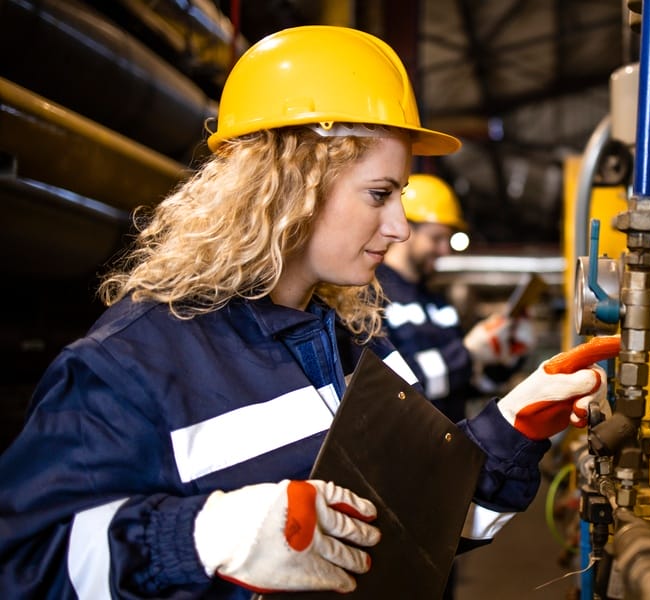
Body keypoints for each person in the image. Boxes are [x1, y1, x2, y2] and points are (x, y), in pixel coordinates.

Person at [0, 25, 607, 599]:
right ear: (291, 184)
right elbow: (25, 567)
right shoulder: (130, 367)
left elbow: (408, 528)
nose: (398, 227)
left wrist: (512, 428)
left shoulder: (356, 343)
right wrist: (204, 537)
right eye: (380, 194)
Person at [378, 173, 535, 424]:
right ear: (405, 229)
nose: (445, 250)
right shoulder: (371, 297)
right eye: (436, 238)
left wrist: (506, 356)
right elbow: (396, 388)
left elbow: (465, 384)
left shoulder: (437, 303)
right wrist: (468, 352)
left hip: (446, 444)